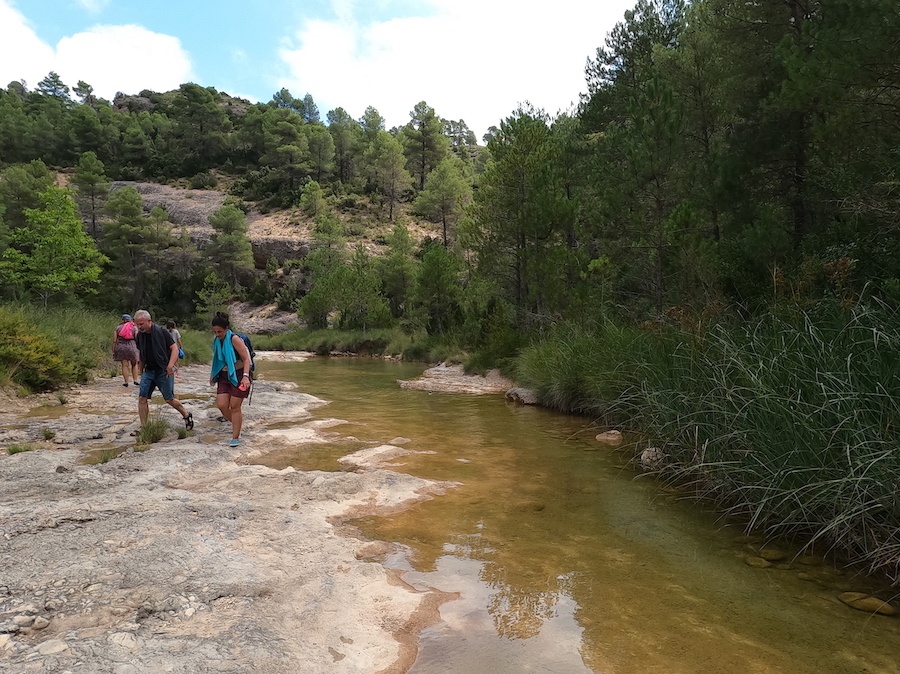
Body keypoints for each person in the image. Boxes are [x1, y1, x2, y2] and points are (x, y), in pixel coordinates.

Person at [133, 309, 193, 434]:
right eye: (137, 324)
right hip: (149, 370)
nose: (139, 327)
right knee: (142, 398)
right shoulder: (139, 336)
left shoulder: (162, 332)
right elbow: (142, 354)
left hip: (163, 370)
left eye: (141, 324)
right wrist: (141, 370)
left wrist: (171, 366)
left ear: (149, 321)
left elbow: (174, 348)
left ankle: (187, 415)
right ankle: (144, 428)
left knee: (169, 399)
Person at [210, 312, 252, 447]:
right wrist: (212, 375)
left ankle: (235, 437)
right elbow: (217, 359)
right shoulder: (217, 340)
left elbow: (246, 359)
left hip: (239, 375)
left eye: (220, 331)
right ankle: (237, 423)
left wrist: (245, 377)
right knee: (222, 405)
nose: (217, 334)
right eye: (215, 331)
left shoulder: (234, 339)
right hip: (223, 376)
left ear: (227, 328)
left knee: (234, 406)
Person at [112, 314, 140, 387]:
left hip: (121, 347)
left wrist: (114, 349)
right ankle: (135, 380)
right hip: (132, 346)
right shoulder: (134, 327)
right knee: (134, 364)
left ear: (122, 320)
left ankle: (126, 382)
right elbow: (137, 338)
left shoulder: (117, 328)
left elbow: (115, 340)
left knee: (124, 365)